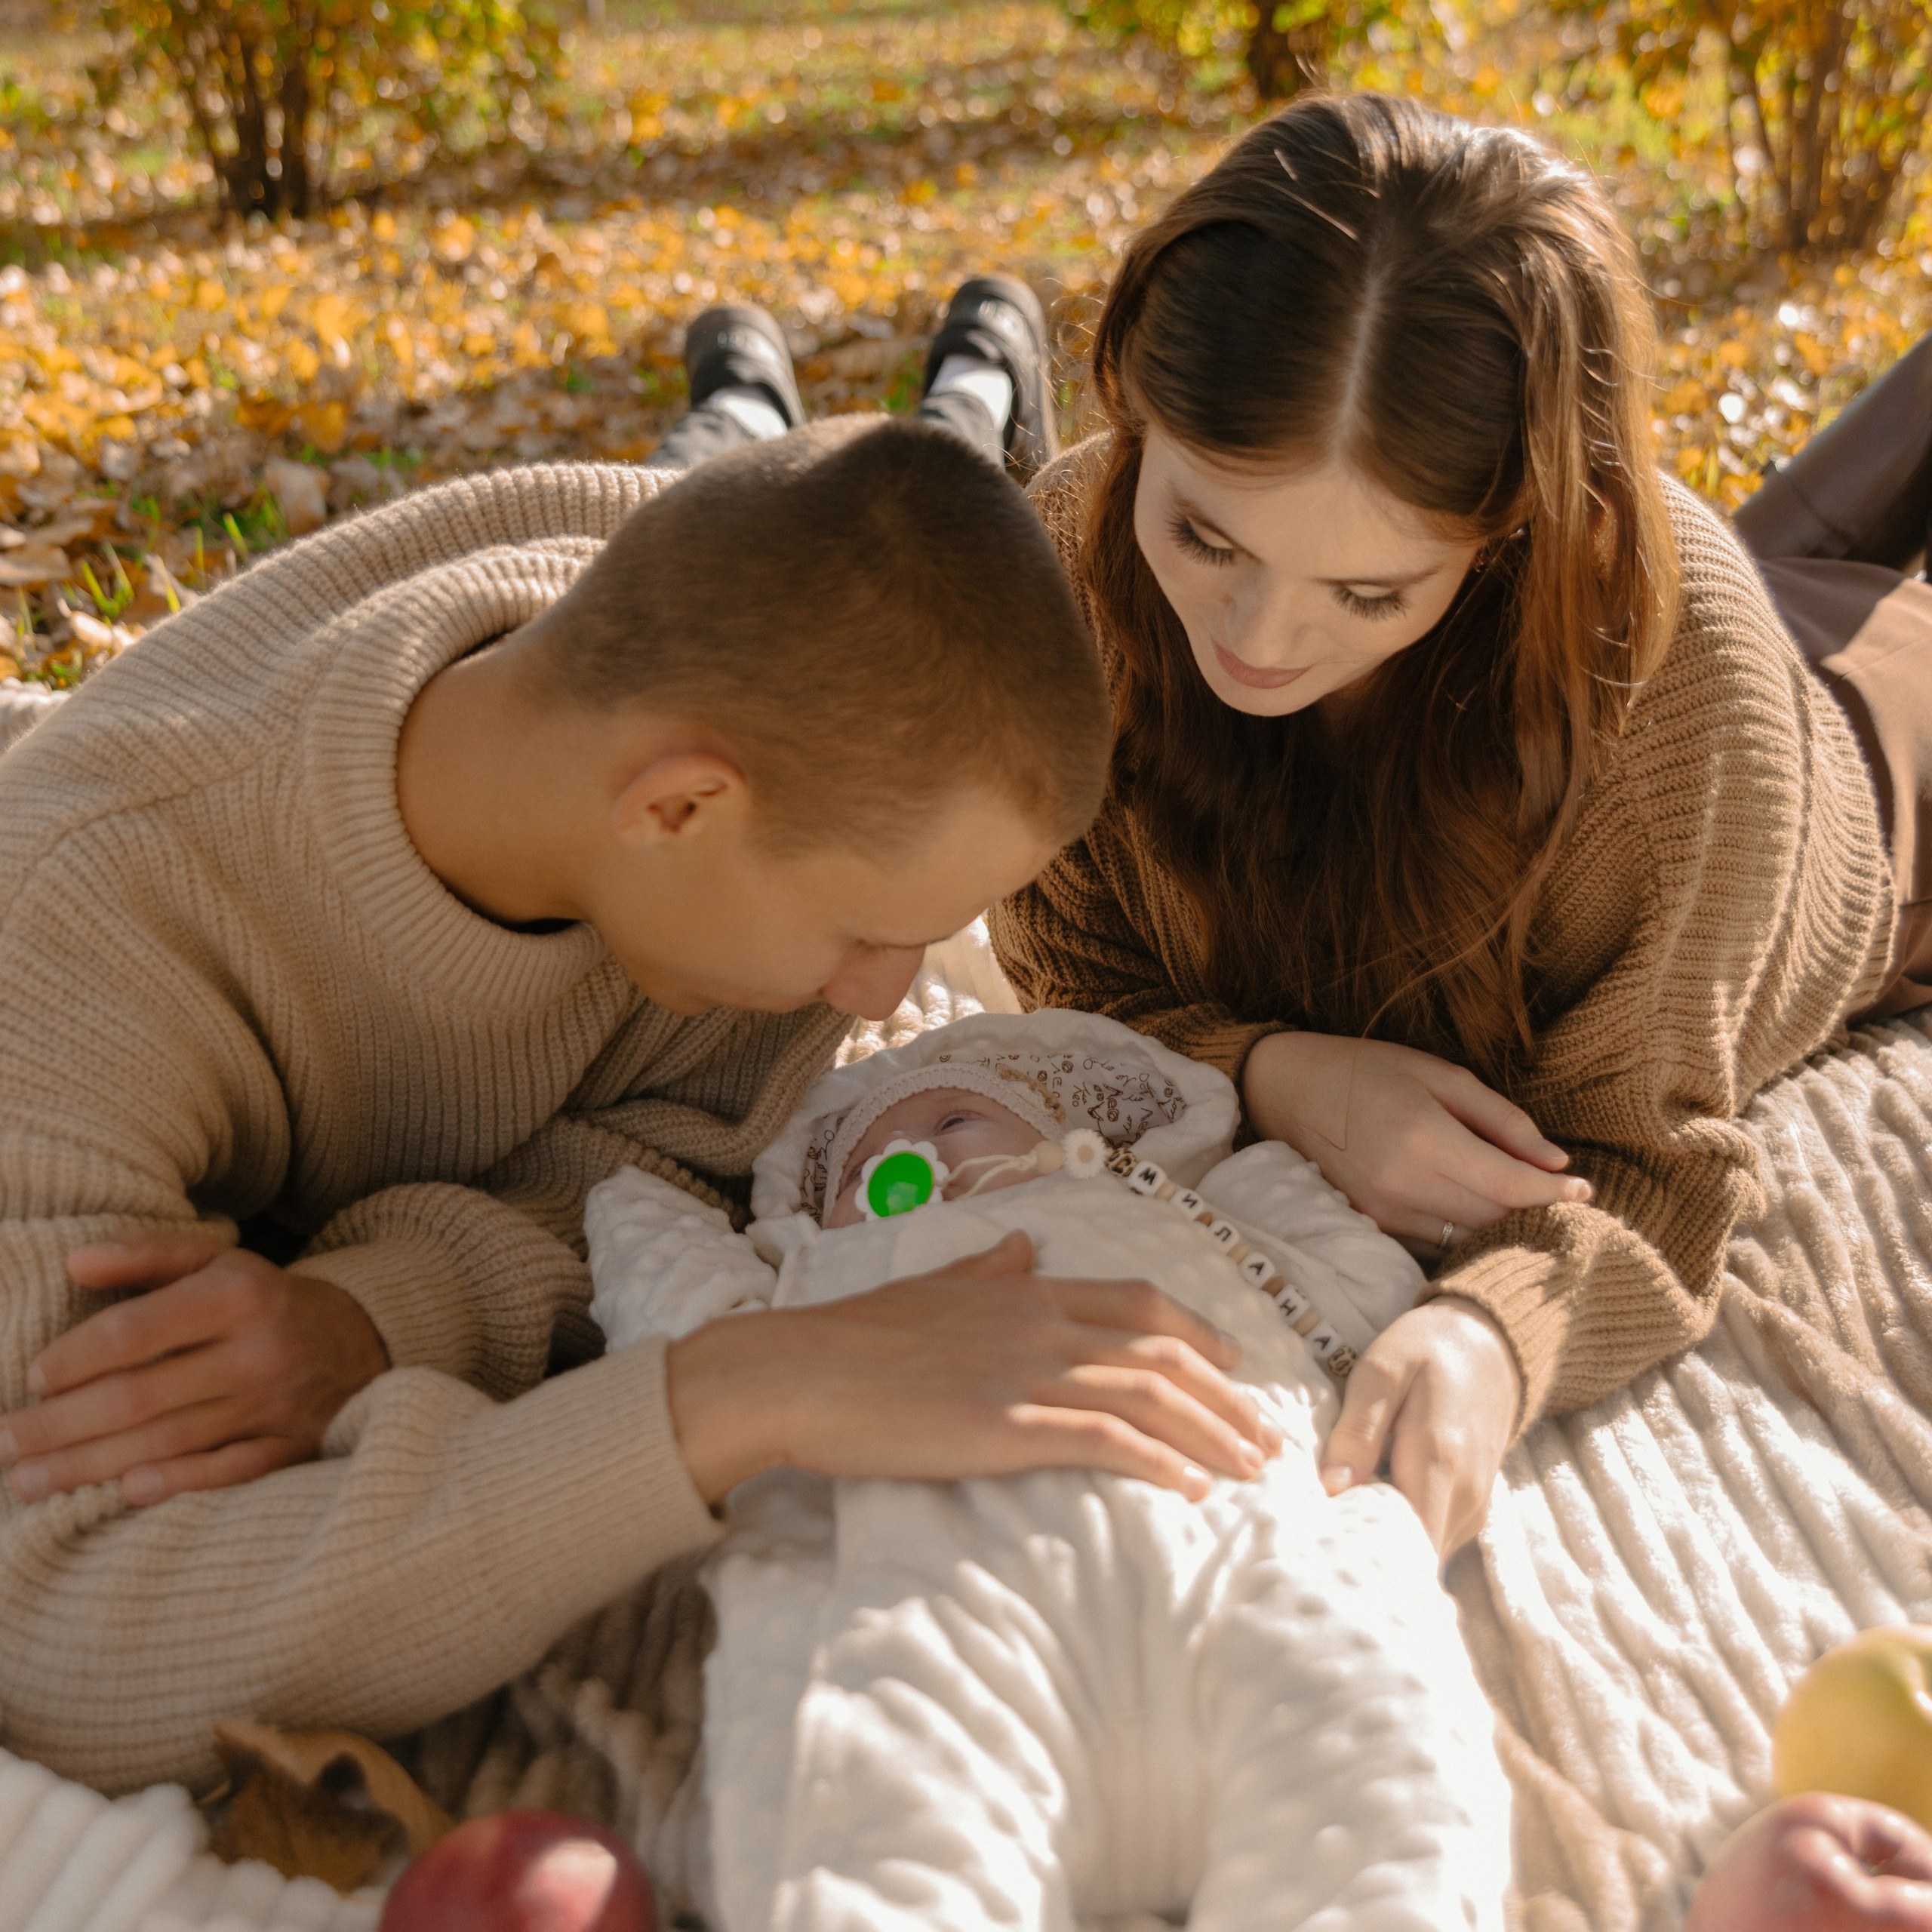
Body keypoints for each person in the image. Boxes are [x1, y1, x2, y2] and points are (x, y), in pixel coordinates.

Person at [0, 408, 1279, 1792]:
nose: (881, 1001)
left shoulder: (707, 684)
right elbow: (63, 1638)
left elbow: (672, 1161)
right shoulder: (75, 936)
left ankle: (973, 385)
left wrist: (384, 1312)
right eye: (865, 929)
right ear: (677, 808)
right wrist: (736, 1394)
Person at [981, 91, 1932, 1560]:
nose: (1255, 637)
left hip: (1867, 771)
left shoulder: (1675, 694)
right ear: (1126, 403)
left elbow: (1650, 1159)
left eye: (1368, 592)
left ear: (1518, 534)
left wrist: (1489, 1336)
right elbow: (1072, 962)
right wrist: (1276, 1074)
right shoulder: (1070, 542)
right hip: (1683, 626)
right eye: (1202, 532)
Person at [584, 1008, 1511, 1932]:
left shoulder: (1168, 1212)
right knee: (873, 1795)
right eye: (854, 1161)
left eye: (952, 1121)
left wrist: (1262, 1179)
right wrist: (635, 1211)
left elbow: (1360, 1290)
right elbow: (684, 1329)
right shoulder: (812, 1290)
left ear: (1067, 1140)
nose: (907, 1154)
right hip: (942, 1592)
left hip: (1244, 1541)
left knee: (1377, 1725)